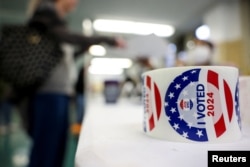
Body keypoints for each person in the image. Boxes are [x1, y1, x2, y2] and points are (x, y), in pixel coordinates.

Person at [26, 0, 125, 167]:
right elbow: (68, 37)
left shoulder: (55, 20)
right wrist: (105, 39)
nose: (76, 2)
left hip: (58, 93)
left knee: (56, 148)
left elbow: (64, 58)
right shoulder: (45, 14)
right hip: (49, 93)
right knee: (46, 150)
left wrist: (82, 50)